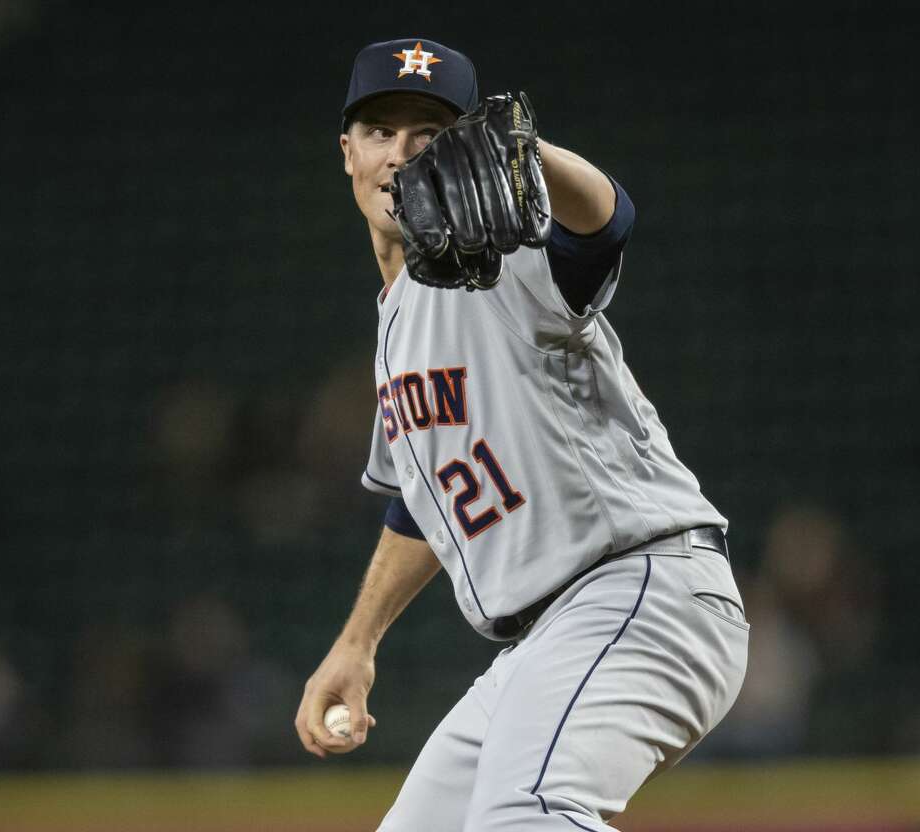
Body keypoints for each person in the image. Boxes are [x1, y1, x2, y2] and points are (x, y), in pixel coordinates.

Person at [294, 37, 749, 831]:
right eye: (380, 132)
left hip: (639, 590)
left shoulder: (495, 258)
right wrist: (357, 643)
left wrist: (526, 157)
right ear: (346, 152)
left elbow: (604, 226)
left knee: (527, 814)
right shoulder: (396, 327)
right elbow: (422, 503)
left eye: (429, 136)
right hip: (551, 640)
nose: (400, 155)